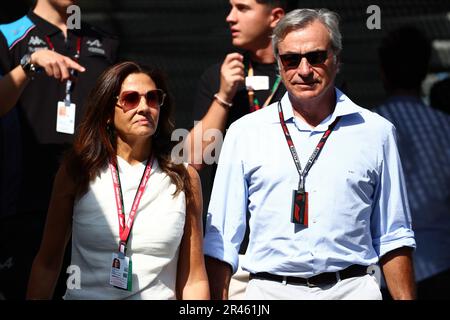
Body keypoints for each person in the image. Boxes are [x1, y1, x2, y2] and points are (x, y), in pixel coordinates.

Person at [203, 8, 416, 300]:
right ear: (278, 64)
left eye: (316, 57)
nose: (304, 70)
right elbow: (222, 240)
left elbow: (394, 235)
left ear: (337, 60)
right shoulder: (244, 133)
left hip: (352, 289)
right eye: (291, 59)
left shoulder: (376, 132)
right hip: (267, 292)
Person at [26, 61, 210, 300]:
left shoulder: (184, 177)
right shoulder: (77, 171)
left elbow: (194, 279)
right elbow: (47, 264)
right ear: (107, 114)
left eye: (153, 98)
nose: (144, 107)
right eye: (131, 99)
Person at [0, 0, 118, 299]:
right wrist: (29, 64)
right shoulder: (8, 33)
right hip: (25, 202)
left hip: (91, 201)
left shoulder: (104, 40)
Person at [187, 0, 297, 299]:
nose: (229, 17)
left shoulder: (305, 77)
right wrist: (223, 95)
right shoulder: (220, 75)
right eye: (230, 7)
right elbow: (192, 160)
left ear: (275, 17)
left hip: (292, 249)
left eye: (242, 8)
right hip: (232, 253)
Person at [374, 26, 450, 300]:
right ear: (424, 72)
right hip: (440, 265)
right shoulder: (445, 127)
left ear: (382, 72)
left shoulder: (367, 129)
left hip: (383, 273)